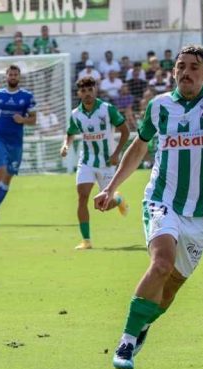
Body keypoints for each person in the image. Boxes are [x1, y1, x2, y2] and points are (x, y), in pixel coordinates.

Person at [92, 45, 203, 369]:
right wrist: (111, 188)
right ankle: (127, 342)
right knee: (161, 264)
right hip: (162, 201)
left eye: (194, 67)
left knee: (169, 290)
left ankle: (142, 325)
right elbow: (139, 146)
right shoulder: (159, 106)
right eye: (180, 66)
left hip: (202, 215)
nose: (186, 72)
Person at [60, 76, 129, 250]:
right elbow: (70, 132)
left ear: (95, 90)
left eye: (90, 90)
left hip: (107, 162)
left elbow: (125, 131)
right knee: (82, 197)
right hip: (87, 161)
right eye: (84, 91)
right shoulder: (76, 114)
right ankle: (86, 241)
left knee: (104, 206)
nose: (88, 93)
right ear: (79, 93)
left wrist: (116, 153)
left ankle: (118, 199)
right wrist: (66, 145)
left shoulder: (107, 109)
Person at [0, 65, 36, 225]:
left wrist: (23, 120)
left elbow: (34, 120)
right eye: (10, 74)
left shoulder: (27, 96)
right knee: (0, 169)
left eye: (15, 74)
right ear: (6, 76)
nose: (13, 77)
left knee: (7, 178)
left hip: (16, 142)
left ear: (19, 77)